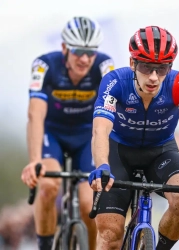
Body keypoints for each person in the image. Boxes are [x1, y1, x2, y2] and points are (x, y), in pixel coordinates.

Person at [89, 25, 179, 250]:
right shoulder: (115, 82)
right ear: (132, 63)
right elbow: (100, 130)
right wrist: (102, 165)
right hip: (119, 153)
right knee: (110, 234)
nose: (154, 77)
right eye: (146, 67)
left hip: (160, 151)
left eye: (162, 68)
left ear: (170, 66)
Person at [20, 16, 114, 250]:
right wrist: (34, 162)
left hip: (86, 136)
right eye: (78, 51)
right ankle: (45, 245)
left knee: (87, 203)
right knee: (49, 186)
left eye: (90, 52)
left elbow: (113, 114)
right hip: (52, 134)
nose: (84, 59)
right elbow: (35, 115)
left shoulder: (105, 67)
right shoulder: (44, 66)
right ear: (64, 48)